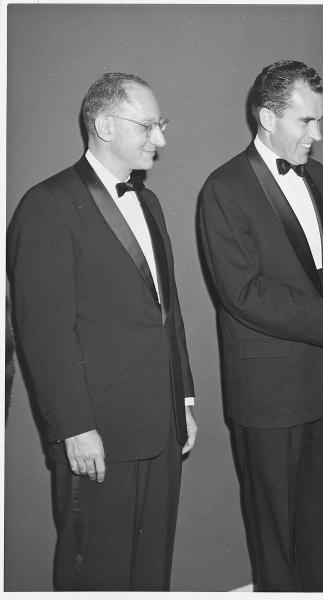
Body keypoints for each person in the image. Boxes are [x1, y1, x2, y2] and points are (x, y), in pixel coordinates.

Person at [7, 72, 197, 590]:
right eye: (149, 125)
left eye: (161, 124)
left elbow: (168, 313)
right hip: (97, 437)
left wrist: (182, 400)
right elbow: (44, 333)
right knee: (98, 573)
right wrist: (73, 427)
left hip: (161, 426)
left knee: (152, 568)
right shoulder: (45, 206)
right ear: (104, 126)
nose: (160, 138)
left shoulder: (150, 204)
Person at [198, 60, 323, 592]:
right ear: (266, 117)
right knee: (275, 535)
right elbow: (243, 293)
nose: (318, 135)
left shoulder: (316, 175)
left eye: (320, 121)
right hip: (269, 393)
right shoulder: (223, 189)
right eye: (306, 122)